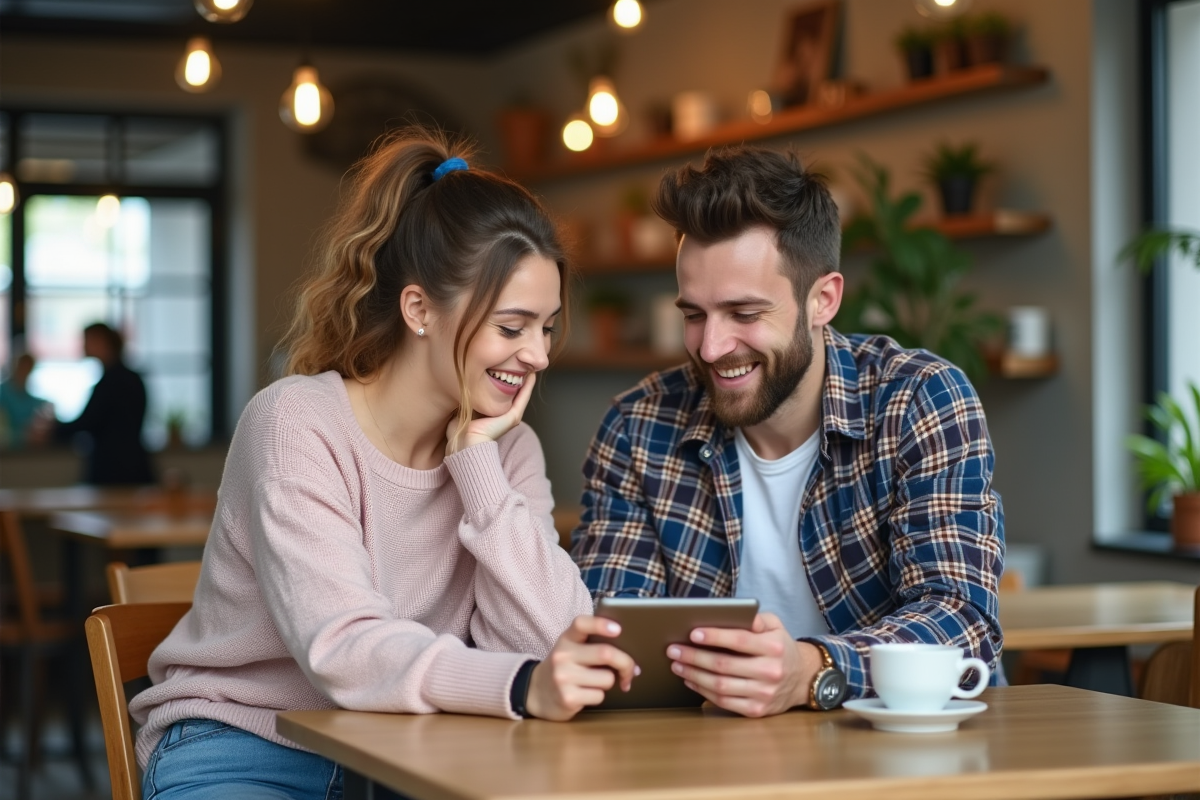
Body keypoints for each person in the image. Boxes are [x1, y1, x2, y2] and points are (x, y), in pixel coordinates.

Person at [129, 129, 636, 800]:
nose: (539, 355)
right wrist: (517, 685)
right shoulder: (295, 422)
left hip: (415, 750)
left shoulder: (506, 451)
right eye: (512, 328)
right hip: (250, 745)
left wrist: (478, 470)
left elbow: (554, 642)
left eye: (546, 328)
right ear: (419, 308)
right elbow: (342, 647)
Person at [572, 145, 1004, 718]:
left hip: (903, 755)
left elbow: (961, 618)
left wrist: (813, 671)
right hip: (711, 763)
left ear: (822, 299)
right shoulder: (638, 426)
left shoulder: (919, 400)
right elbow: (612, 644)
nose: (710, 347)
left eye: (745, 314)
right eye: (694, 314)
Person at [54, 323, 155, 485]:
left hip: (113, 468)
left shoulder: (110, 382)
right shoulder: (133, 379)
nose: (84, 346)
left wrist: (53, 431)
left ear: (101, 341)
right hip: (134, 463)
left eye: (87, 340)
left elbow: (87, 421)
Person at [0, 352, 53, 449]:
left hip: (24, 451)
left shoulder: (30, 399)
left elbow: (44, 407)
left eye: (28, 368)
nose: (24, 372)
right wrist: (24, 437)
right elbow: (3, 433)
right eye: (22, 367)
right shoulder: (3, 393)